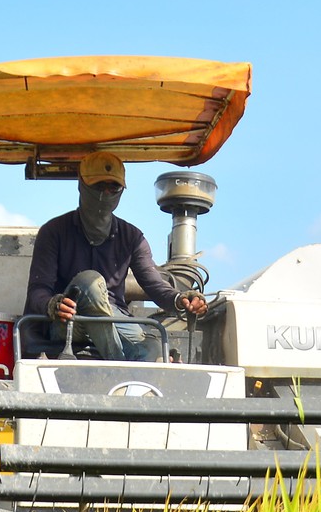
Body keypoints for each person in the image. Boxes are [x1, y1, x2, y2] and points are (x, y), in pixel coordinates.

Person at [24, 152, 206, 361]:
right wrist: (53, 304)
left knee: (152, 348)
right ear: (82, 185)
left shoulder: (132, 238)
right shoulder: (54, 231)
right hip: (68, 322)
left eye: (114, 188)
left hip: (116, 320)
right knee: (89, 281)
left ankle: (125, 381)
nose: (106, 193)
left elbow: (154, 284)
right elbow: (37, 290)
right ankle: (118, 361)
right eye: (99, 187)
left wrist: (180, 298)